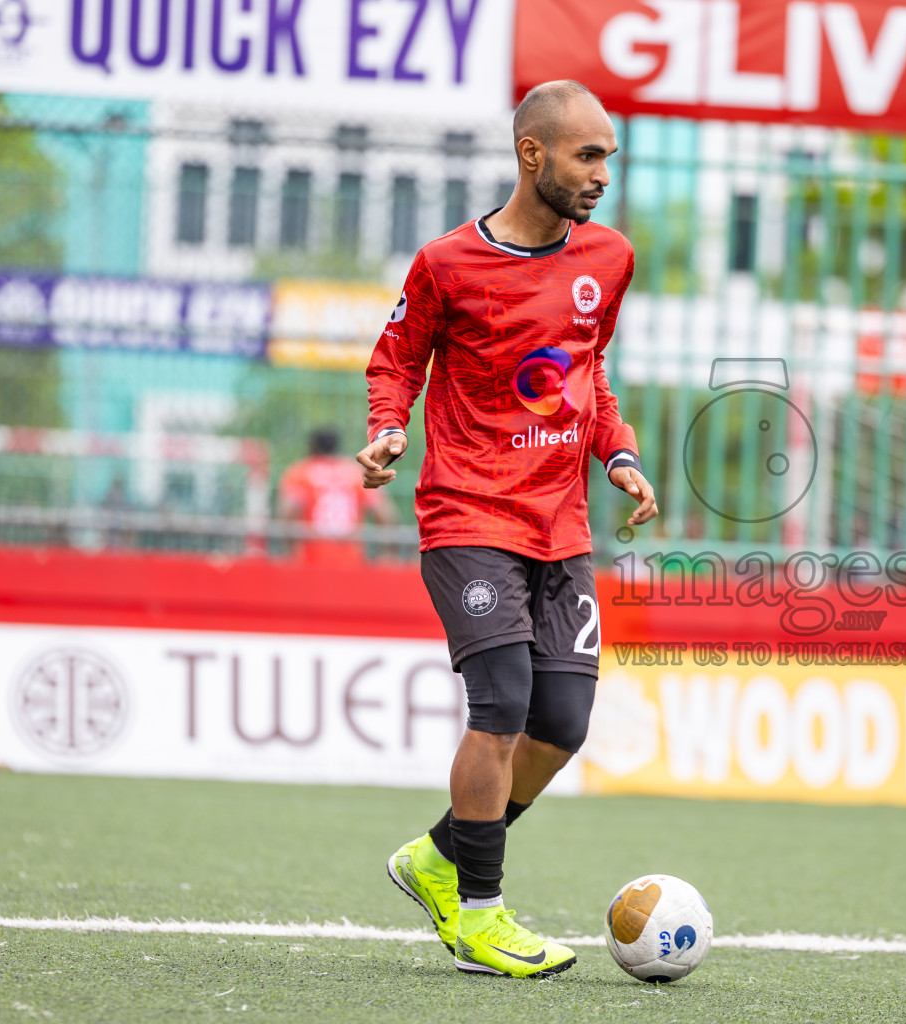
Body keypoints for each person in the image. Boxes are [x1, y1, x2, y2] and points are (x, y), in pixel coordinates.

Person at [355, 79, 658, 980]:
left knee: (561, 721)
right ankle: (480, 918)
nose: (604, 172)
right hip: (468, 513)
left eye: (609, 155)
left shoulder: (610, 256)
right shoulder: (447, 263)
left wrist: (620, 454)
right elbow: (397, 357)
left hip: (560, 525)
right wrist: (387, 428)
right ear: (533, 155)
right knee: (502, 703)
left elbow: (587, 374)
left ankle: (439, 858)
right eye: (588, 155)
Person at [278, 427, 395, 566]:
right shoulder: (356, 473)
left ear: (311, 447)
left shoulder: (300, 472)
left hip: (311, 560)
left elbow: (288, 512)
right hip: (351, 560)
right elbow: (384, 513)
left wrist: (289, 551)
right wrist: (385, 553)